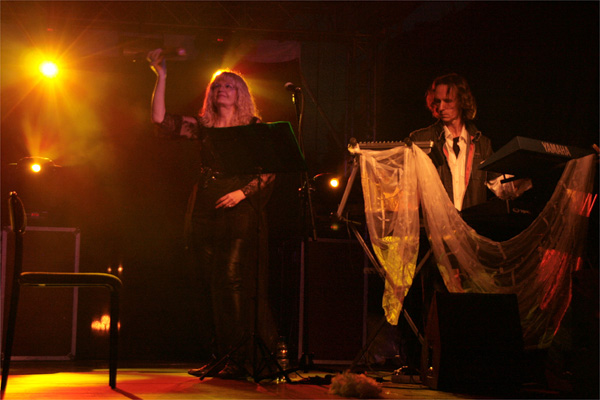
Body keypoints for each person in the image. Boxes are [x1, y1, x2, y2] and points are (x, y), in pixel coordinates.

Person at [147, 49, 278, 380]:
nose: (222, 89)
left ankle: (241, 357)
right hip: (205, 206)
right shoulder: (203, 126)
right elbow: (161, 121)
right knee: (207, 283)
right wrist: (162, 76)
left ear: (240, 94)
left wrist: (241, 193)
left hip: (239, 207)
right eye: (217, 86)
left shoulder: (253, 127)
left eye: (229, 85)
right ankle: (220, 355)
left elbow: (270, 171)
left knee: (231, 280)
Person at [409, 73, 529, 211]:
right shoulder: (421, 139)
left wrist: (530, 171)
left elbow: (502, 187)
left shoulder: (482, 144)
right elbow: (406, 189)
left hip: (470, 223)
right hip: (435, 224)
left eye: (448, 101)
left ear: (462, 101)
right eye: (437, 101)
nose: (441, 107)